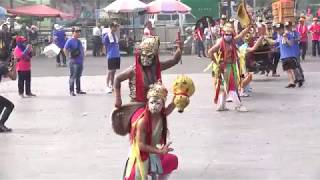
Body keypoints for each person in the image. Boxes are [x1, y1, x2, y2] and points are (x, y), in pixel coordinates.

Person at [124, 82, 178, 179]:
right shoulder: (143, 122)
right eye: (152, 102)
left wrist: (181, 94)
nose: (154, 106)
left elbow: (173, 105)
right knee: (135, 176)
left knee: (172, 160)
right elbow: (140, 145)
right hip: (141, 155)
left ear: (162, 105)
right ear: (147, 104)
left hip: (156, 152)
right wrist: (159, 151)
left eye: (158, 103)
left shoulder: (162, 115)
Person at [114, 36, 182, 108]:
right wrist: (118, 98)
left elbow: (174, 60)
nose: (145, 59)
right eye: (143, 56)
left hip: (154, 106)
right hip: (136, 106)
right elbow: (117, 79)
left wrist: (180, 48)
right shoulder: (133, 70)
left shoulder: (156, 67)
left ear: (154, 57)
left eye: (149, 56)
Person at [208, 22, 250, 112]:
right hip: (224, 67)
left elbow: (241, 34)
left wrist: (248, 27)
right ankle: (239, 105)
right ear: (223, 34)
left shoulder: (232, 41)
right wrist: (217, 63)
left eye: (230, 34)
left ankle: (221, 106)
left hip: (232, 66)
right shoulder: (220, 43)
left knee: (224, 87)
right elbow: (210, 52)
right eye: (226, 34)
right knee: (231, 87)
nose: (228, 36)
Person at [64, 27, 86, 96]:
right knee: (73, 76)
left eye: (79, 32)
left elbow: (81, 50)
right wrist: (69, 57)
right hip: (74, 62)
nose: (78, 33)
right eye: (77, 32)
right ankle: (71, 91)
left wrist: (83, 58)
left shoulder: (78, 41)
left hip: (80, 61)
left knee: (78, 76)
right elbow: (65, 49)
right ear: (73, 33)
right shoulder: (70, 40)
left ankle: (78, 90)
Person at [285, 21, 304, 86]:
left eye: (288, 26)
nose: (287, 28)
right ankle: (297, 78)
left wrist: (293, 40)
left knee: (297, 65)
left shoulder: (295, 32)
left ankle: (301, 77)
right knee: (293, 66)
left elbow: (299, 38)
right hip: (290, 52)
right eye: (286, 27)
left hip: (296, 51)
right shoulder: (286, 33)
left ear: (291, 26)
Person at [104, 22, 121, 94]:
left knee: (114, 71)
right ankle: (107, 86)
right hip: (111, 55)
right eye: (115, 27)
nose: (116, 28)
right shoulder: (107, 36)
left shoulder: (115, 35)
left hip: (116, 55)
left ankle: (112, 85)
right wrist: (107, 54)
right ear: (111, 27)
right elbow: (104, 46)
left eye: (117, 26)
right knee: (110, 71)